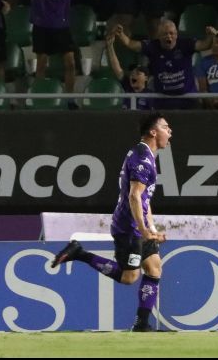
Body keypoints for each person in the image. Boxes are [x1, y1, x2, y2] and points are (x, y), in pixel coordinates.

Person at [51, 113, 172, 333]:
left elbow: (145, 199)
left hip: (140, 226)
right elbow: (134, 197)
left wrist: (152, 228)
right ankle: (79, 253)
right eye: (166, 127)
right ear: (154, 132)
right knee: (129, 277)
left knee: (154, 268)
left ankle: (141, 325)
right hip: (130, 228)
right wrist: (144, 230)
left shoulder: (145, 155)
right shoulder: (143, 160)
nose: (170, 131)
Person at [18, 0, 101, 109]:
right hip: (42, 24)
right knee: (41, 64)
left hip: (61, 25)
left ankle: (69, 99)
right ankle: (39, 98)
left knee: (70, 63)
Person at [115, 20, 213, 110]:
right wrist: (121, 34)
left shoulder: (186, 44)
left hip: (187, 98)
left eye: (171, 33)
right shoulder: (152, 46)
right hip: (163, 99)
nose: (169, 36)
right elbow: (130, 44)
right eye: (165, 34)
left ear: (176, 34)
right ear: (159, 36)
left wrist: (210, 36)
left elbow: (205, 45)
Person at [105, 30, 153, 110]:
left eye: (138, 73)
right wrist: (110, 46)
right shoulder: (127, 86)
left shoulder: (150, 95)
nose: (133, 75)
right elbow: (116, 67)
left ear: (146, 78)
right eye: (132, 73)